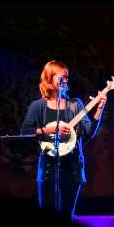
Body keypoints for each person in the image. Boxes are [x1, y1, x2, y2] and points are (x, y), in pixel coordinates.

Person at [21, 60, 108, 218]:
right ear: (49, 78)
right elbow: (25, 132)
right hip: (48, 167)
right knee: (48, 216)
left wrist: (99, 108)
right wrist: (46, 130)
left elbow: (88, 133)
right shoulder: (38, 106)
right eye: (61, 77)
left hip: (72, 166)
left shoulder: (75, 105)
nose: (65, 81)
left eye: (67, 78)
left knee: (67, 216)